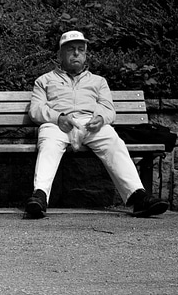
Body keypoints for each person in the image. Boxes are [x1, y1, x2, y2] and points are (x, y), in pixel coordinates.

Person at [24, 31, 169, 219]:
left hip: (90, 123)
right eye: (70, 50)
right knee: (49, 143)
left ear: (85, 55)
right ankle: (40, 196)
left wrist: (100, 118)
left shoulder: (98, 81)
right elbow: (35, 110)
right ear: (60, 55)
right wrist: (57, 117)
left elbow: (108, 109)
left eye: (80, 50)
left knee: (113, 141)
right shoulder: (44, 80)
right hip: (58, 123)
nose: (76, 53)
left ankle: (138, 196)